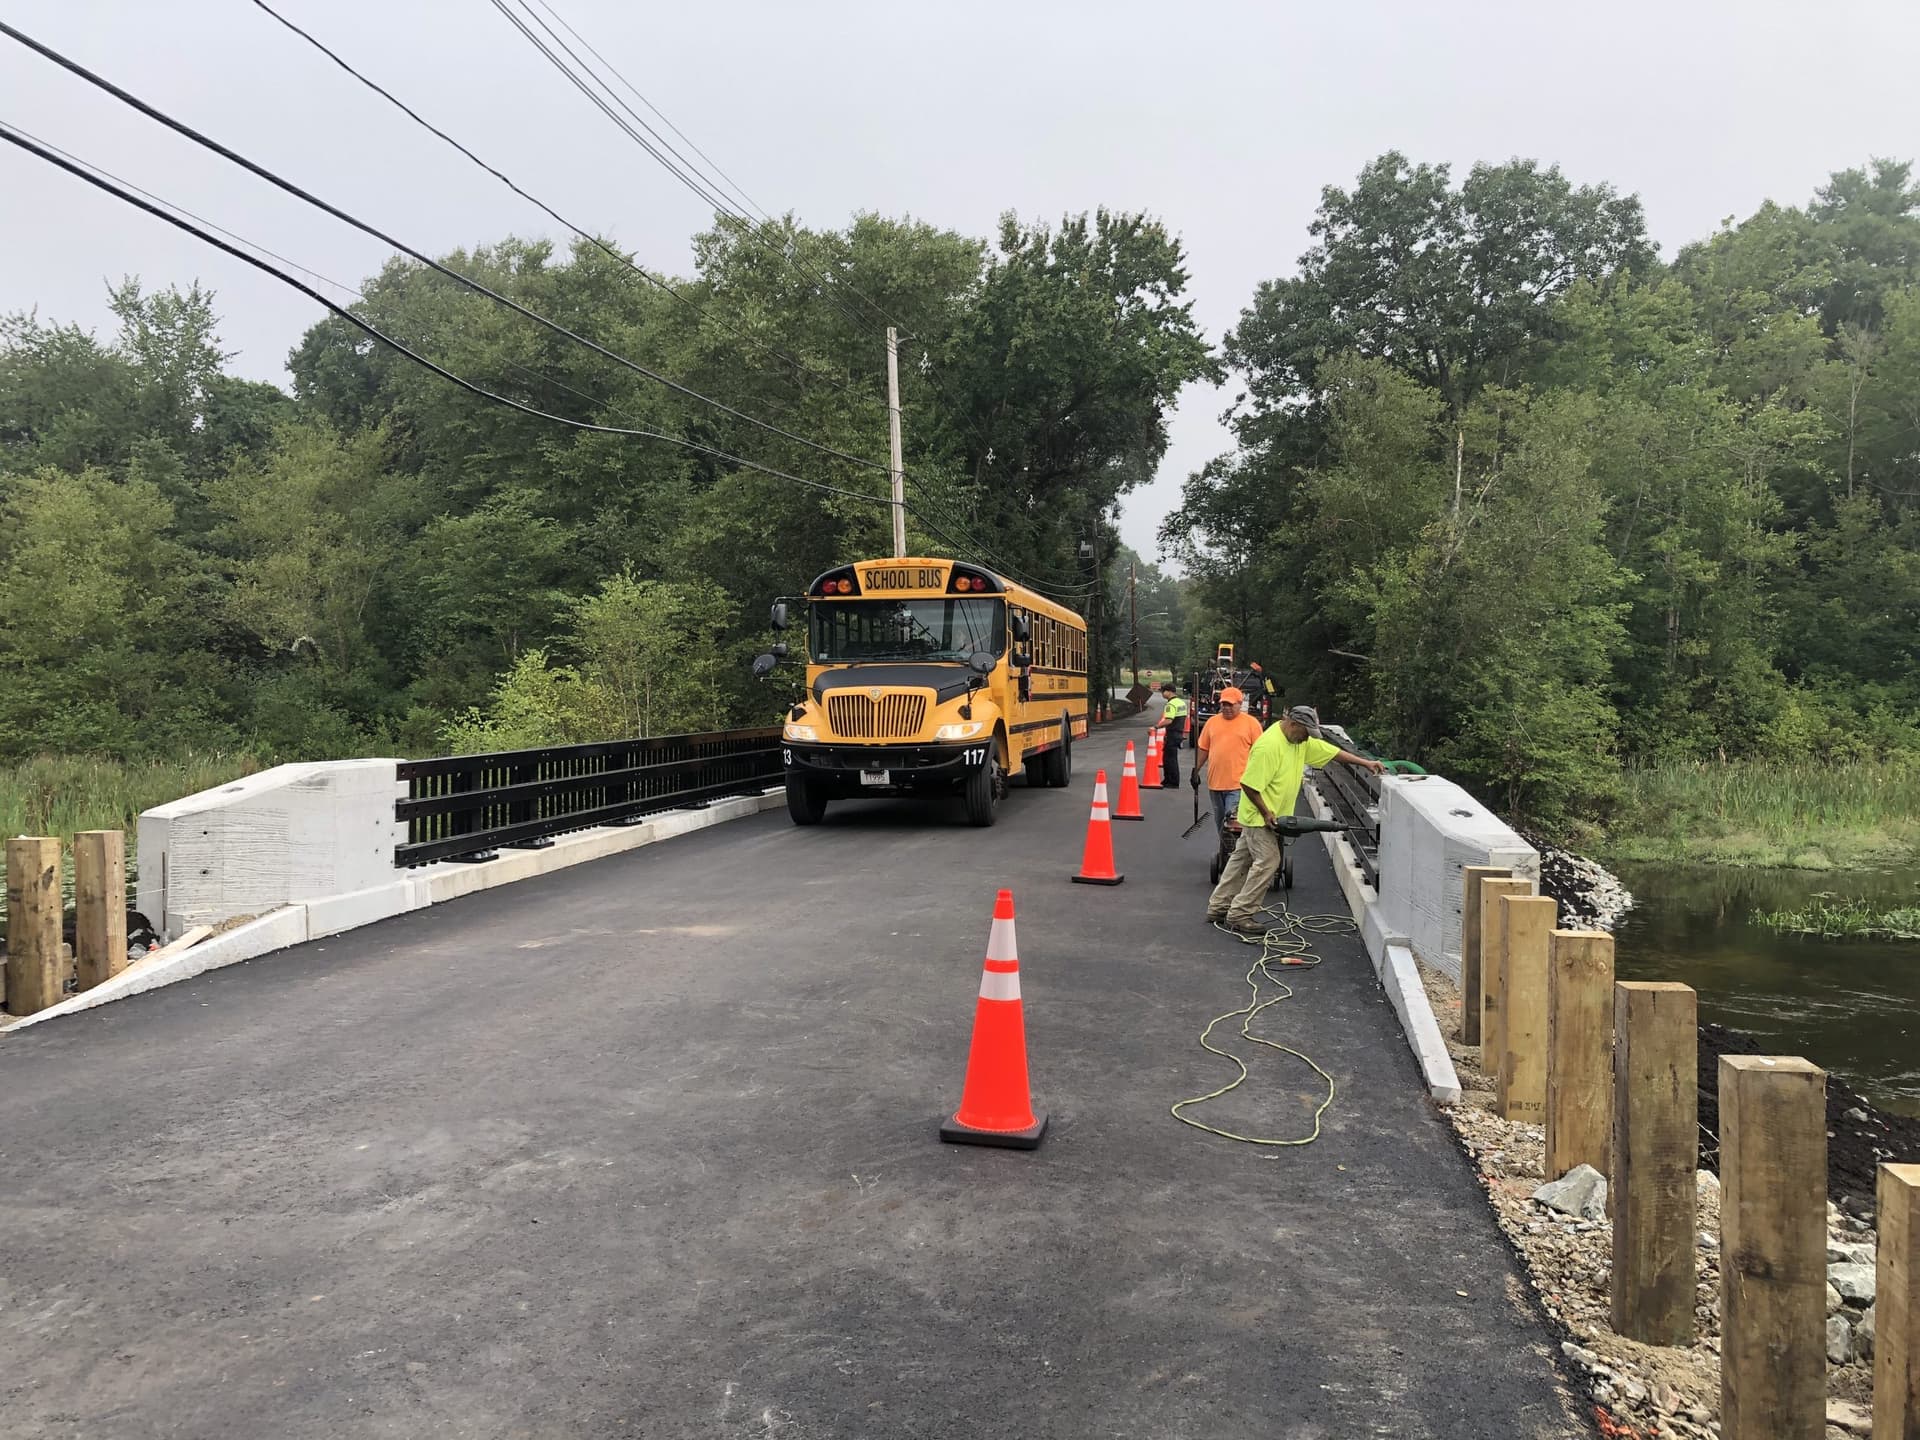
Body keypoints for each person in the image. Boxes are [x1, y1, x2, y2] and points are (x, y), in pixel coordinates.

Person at [1206, 704, 1385, 934]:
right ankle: (1240, 914)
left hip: (1273, 815)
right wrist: (1266, 812)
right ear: (1293, 724)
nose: (1307, 739)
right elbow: (1249, 784)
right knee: (1269, 861)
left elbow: (1331, 752)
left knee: (1240, 860)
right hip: (1259, 817)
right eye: (1305, 733)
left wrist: (1365, 763)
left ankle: (1218, 907)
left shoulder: (1299, 741)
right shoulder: (1269, 746)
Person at [1194, 686, 1264, 838]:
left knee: (1231, 821)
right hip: (1215, 783)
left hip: (1238, 784)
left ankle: (1234, 854)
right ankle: (1225, 851)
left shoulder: (1251, 724)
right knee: (1220, 821)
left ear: (1240, 704)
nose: (1226, 707)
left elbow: (1260, 754)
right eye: (1224, 704)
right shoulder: (1212, 722)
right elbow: (1204, 748)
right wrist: (1195, 770)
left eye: (1230, 704)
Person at [1151, 682, 1189, 788]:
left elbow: (1168, 720)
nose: (1162, 694)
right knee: (1171, 758)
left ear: (1169, 692)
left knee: (1169, 759)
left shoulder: (1171, 704)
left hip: (1172, 733)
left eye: (1163, 691)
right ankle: (1169, 780)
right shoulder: (1181, 703)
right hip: (1178, 733)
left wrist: (1156, 727)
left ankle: (1172, 781)